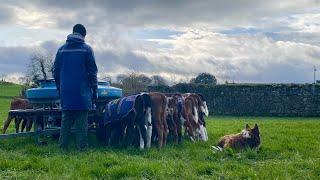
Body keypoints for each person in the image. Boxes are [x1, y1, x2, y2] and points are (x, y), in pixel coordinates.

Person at [52, 24, 98, 150]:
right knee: (82, 121)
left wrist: (60, 86)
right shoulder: (87, 49)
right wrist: (94, 90)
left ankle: (62, 147)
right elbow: (92, 72)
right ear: (83, 35)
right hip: (82, 92)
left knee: (66, 120)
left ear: (72, 32)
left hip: (66, 91)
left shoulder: (61, 50)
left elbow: (55, 71)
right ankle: (81, 148)